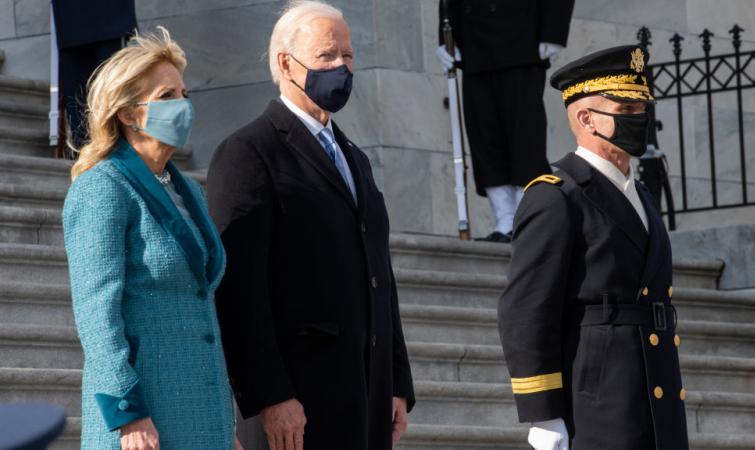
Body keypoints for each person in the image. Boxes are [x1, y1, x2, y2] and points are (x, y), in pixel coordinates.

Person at [206, 1, 415, 450]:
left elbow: (380, 274)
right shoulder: (249, 152)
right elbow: (238, 290)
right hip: (296, 405)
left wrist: (396, 380)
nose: (342, 67)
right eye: (327, 56)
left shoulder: (353, 157)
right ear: (286, 63)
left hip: (367, 396)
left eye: (349, 56)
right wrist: (270, 395)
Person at [497, 46, 689, 450]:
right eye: (627, 109)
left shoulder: (638, 194)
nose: (640, 119)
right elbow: (527, 310)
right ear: (586, 118)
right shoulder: (557, 197)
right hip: (599, 404)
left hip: (655, 395)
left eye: (642, 109)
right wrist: (544, 414)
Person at [62, 28, 242, 450]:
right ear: (127, 113)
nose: (183, 106)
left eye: (184, 92)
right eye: (166, 97)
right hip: (144, 423)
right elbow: (96, 314)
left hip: (201, 415)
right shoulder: (102, 188)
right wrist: (128, 413)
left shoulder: (189, 192)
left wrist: (220, 422)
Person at [437, 0, 575, 242]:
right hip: (474, 44)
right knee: (483, 135)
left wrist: (553, 30)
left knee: (525, 135)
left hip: (522, 39)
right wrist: (447, 38)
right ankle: (504, 220)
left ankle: (527, 217)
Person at [52, 0, 138, 149]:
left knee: (114, 96)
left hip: (109, 16)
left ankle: (119, 153)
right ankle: (86, 160)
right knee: (78, 103)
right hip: (69, 17)